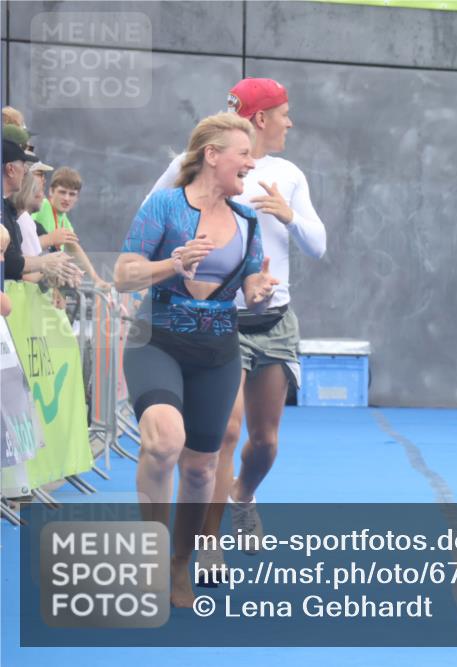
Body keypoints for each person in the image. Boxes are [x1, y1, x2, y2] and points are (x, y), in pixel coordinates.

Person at [145, 77, 326, 580]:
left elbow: (319, 246)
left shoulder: (287, 174)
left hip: (274, 319)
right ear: (261, 117)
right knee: (223, 434)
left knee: (264, 443)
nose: (291, 122)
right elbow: (150, 217)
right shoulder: (197, 161)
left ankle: (242, 494)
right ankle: (208, 543)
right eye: (285, 113)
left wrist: (290, 217)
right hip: (217, 320)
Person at [114, 112, 279, 607]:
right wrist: (173, 262)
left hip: (217, 351)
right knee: (165, 442)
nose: (251, 163)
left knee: (201, 470)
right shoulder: (165, 206)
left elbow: (249, 286)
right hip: (158, 338)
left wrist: (260, 289)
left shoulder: (248, 220)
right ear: (212, 155)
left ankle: (178, 564)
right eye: (243, 153)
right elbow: (123, 274)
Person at [2, 140, 80, 286]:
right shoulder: (13, 215)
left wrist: (55, 268)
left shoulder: (11, 214)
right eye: (26, 168)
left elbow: (14, 260)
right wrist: (46, 263)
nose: (41, 181)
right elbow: (11, 263)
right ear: (10, 169)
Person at [33, 166, 107, 288]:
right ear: (51, 191)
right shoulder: (42, 206)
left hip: (46, 283)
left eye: (72, 194)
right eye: (62, 192)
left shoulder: (64, 220)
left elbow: (74, 247)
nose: (67, 198)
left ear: (77, 198)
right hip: (31, 280)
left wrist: (96, 279)